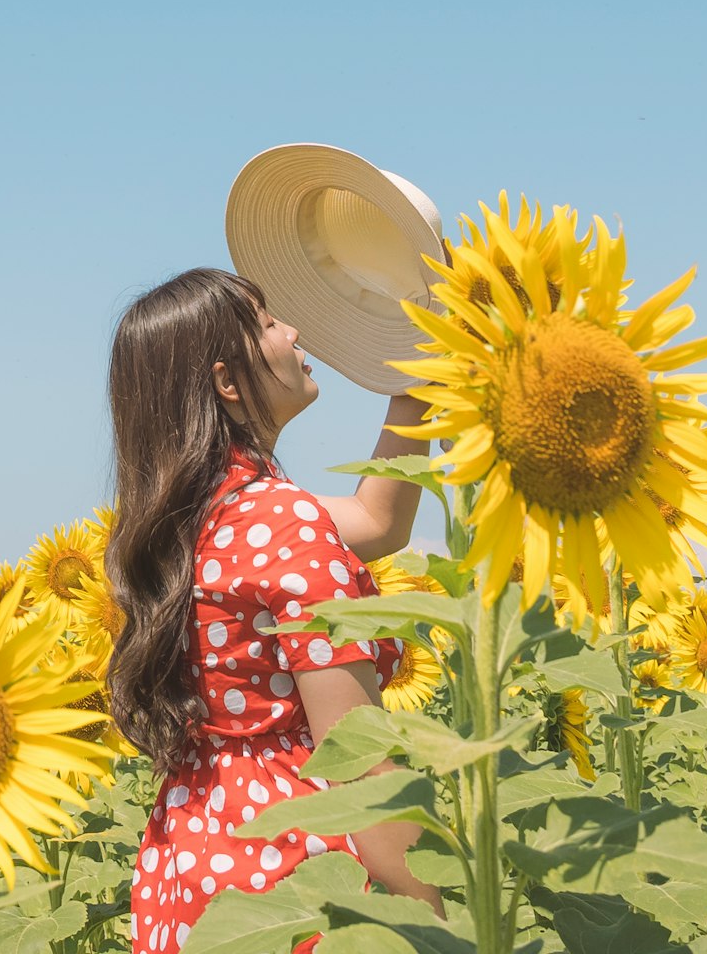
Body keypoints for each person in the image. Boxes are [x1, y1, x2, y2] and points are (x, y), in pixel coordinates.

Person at [104, 268, 442, 954]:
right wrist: (434, 921)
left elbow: (378, 519)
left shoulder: (193, 521)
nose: (294, 332)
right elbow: (361, 762)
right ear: (229, 383)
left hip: (194, 864)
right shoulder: (284, 525)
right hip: (294, 869)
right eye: (267, 323)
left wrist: (419, 380)